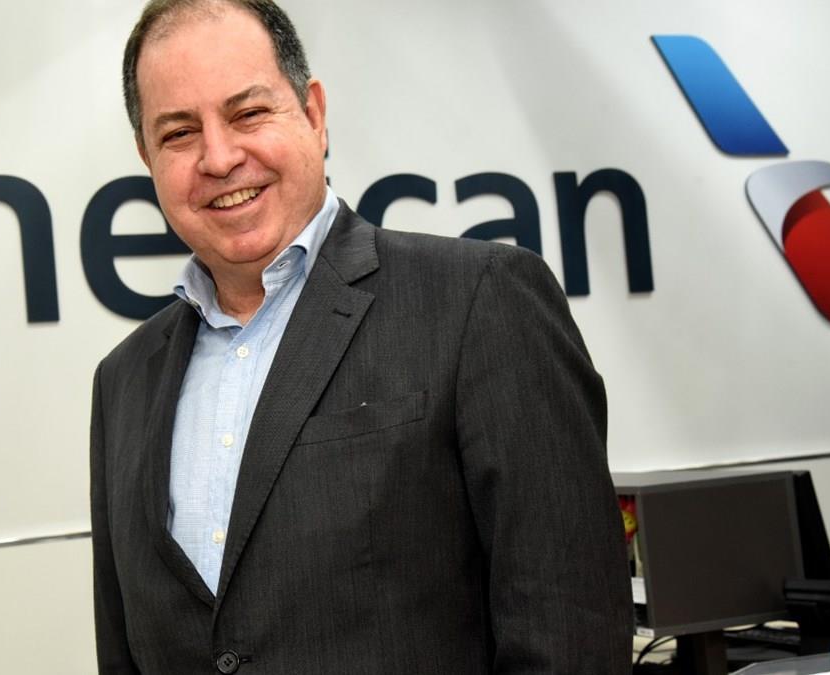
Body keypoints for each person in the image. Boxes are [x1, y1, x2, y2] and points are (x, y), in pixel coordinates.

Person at [89, 1, 632, 672]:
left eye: (248, 113)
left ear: (314, 114)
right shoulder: (123, 382)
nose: (220, 157)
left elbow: (570, 634)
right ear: (146, 157)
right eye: (179, 132)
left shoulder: (480, 302)